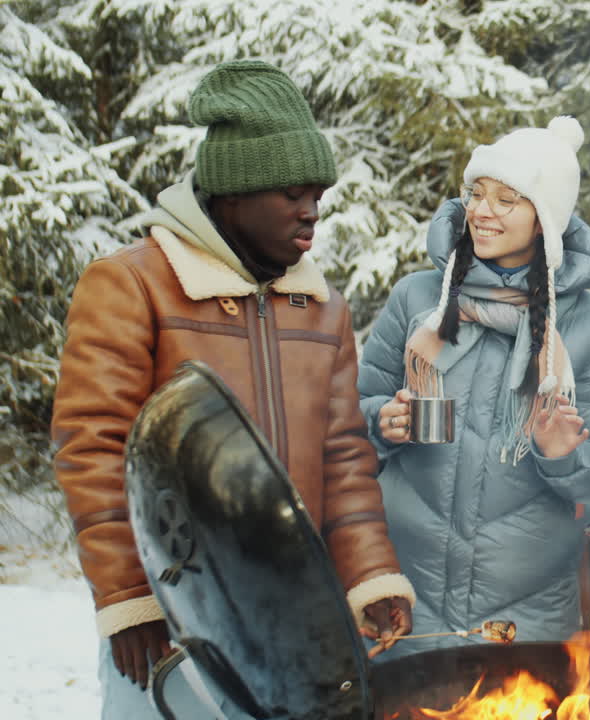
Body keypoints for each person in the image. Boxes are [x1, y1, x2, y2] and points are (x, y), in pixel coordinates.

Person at [50, 61, 414, 719]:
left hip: (291, 623)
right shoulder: (133, 284)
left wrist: (369, 576)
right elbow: (93, 447)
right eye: (292, 193)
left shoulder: (322, 308)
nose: (311, 211)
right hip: (174, 621)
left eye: (318, 195)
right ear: (232, 193)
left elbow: (344, 460)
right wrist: (129, 597)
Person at [357, 117, 590, 657]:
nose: (482, 211)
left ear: (545, 220)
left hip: (526, 617)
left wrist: (562, 455)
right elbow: (349, 423)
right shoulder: (418, 299)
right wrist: (381, 421)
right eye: (476, 193)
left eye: (506, 200)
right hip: (409, 601)